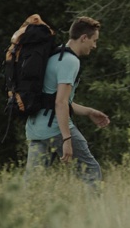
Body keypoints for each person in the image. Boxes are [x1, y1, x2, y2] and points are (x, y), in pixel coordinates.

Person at [24, 16, 110, 187]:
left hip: (35, 127)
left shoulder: (56, 53)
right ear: (83, 38)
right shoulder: (71, 62)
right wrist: (66, 139)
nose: (94, 45)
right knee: (92, 172)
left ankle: (23, 212)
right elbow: (60, 103)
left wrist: (89, 112)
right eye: (94, 40)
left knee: (33, 183)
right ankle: (94, 213)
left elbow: (53, 99)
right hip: (55, 128)